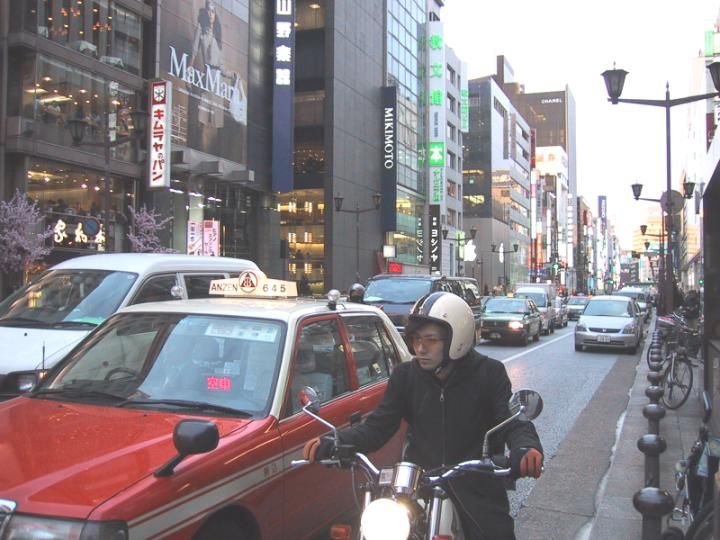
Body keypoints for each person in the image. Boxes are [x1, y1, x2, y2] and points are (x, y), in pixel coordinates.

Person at [303, 292, 543, 539]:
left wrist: (525, 447)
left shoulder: (489, 374)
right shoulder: (405, 375)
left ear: (456, 340)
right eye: (416, 339)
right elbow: (378, 426)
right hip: (418, 487)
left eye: (431, 340)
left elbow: (512, 420)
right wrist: (337, 441)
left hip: (475, 485)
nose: (420, 348)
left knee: (497, 533)